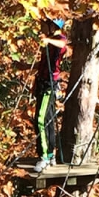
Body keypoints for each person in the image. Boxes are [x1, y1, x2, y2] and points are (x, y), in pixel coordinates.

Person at [32, 18, 67, 172]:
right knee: (47, 119)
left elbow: (63, 44)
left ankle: (45, 156)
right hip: (42, 83)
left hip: (49, 85)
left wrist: (47, 40)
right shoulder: (50, 41)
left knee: (41, 119)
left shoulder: (59, 40)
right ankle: (50, 154)